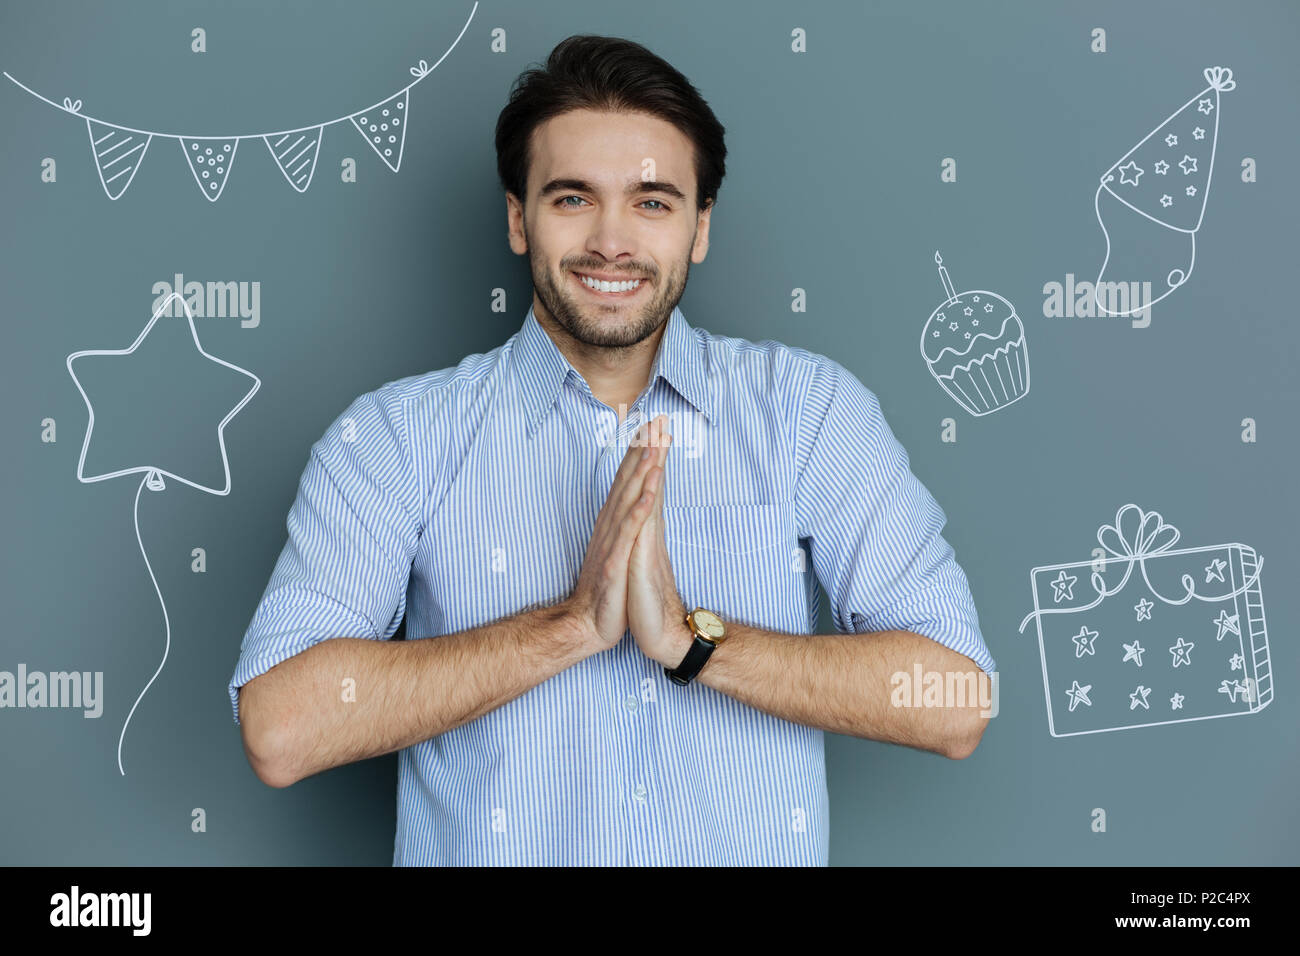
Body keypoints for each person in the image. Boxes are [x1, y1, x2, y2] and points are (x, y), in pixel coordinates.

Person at [229, 34, 996, 866]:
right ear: (518, 218)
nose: (611, 240)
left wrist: (693, 642)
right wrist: (568, 626)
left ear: (701, 227)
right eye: (571, 199)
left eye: (653, 201)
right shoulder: (393, 438)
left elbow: (956, 701)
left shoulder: (808, 413)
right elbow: (280, 729)